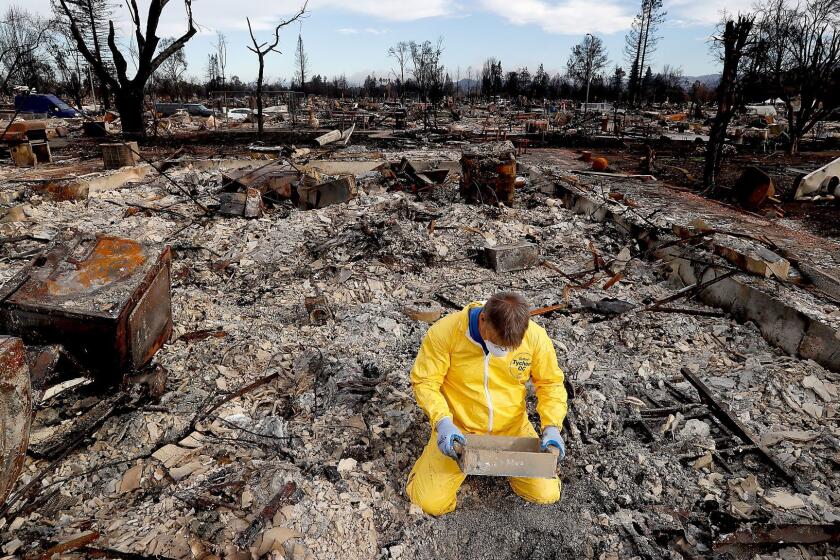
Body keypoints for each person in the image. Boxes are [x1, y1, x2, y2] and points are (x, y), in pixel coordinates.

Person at [406, 292, 568, 516]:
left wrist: (552, 426)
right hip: (461, 431)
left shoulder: (535, 337)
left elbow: (550, 384)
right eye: (498, 344)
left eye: (509, 348)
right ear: (482, 319)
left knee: (546, 494)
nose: (503, 351)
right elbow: (425, 382)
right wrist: (442, 421)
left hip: (512, 430)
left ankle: (509, 469)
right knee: (429, 503)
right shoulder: (445, 333)